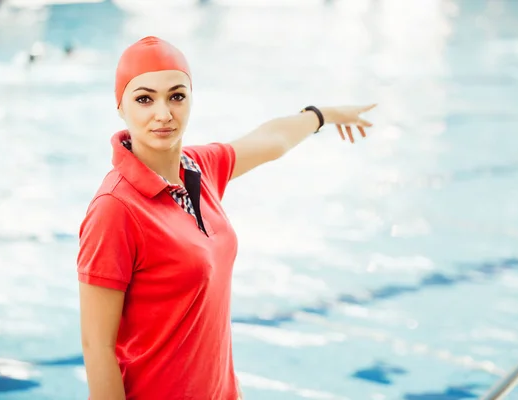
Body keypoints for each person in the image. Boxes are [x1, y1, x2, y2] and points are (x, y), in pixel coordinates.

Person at [77, 35, 376, 400]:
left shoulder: (198, 169)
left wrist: (323, 115)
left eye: (176, 96)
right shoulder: (116, 208)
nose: (163, 113)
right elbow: (97, 347)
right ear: (120, 106)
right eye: (144, 99)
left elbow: (272, 140)